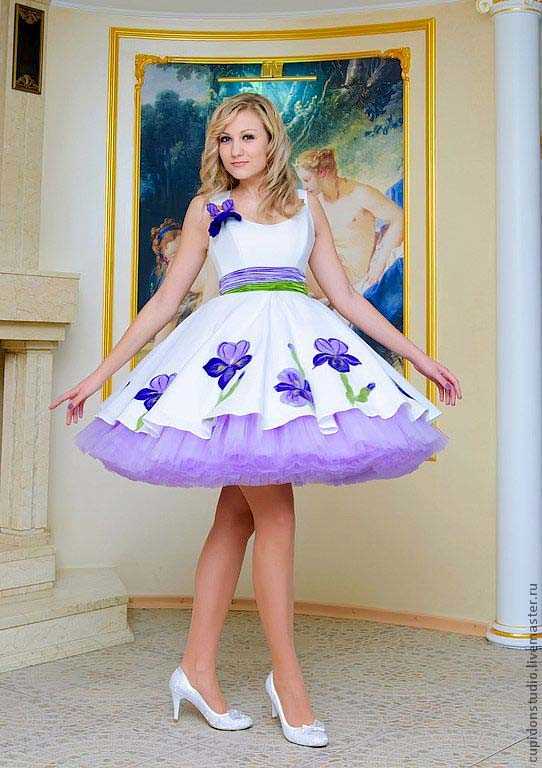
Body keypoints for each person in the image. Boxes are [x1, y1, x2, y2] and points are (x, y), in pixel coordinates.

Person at [49, 93, 462, 749]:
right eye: (224, 139)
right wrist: (99, 375)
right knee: (276, 515)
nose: (235, 150)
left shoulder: (305, 203)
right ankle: (288, 682)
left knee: (236, 518)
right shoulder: (209, 209)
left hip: (292, 356)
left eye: (247, 137)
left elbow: (346, 296)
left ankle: (195, 668)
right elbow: (165, 301)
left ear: (272, 141)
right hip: (232, 362)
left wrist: (419, 358)